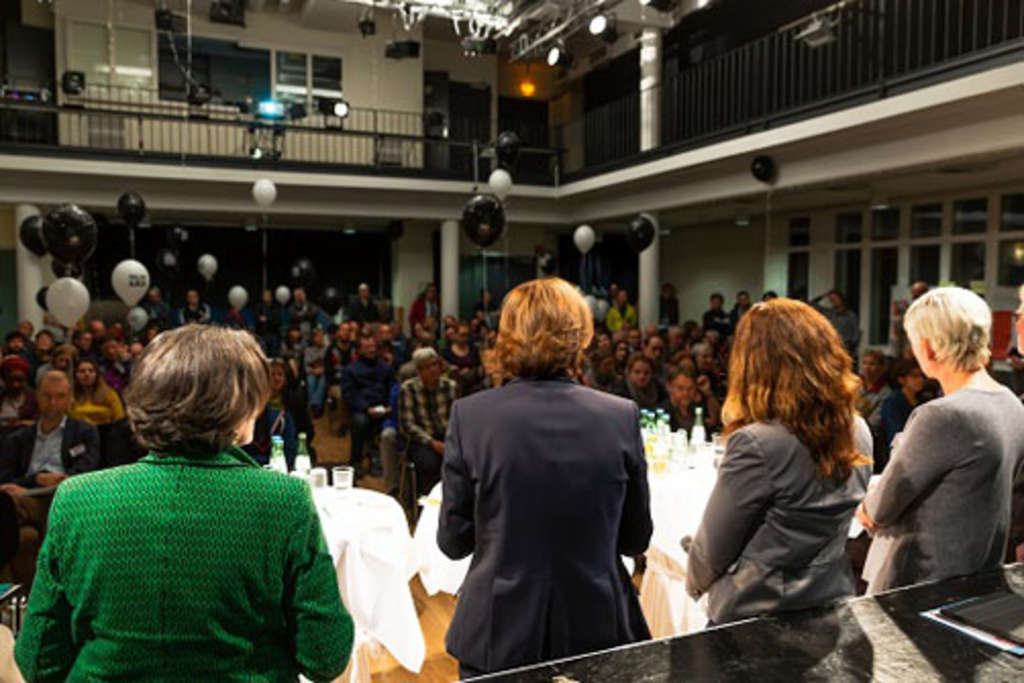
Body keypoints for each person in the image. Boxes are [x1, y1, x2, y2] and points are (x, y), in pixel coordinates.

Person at [14, 326, 353, 680]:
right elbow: (324, 655)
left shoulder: (76, 498)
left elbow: (38, 660)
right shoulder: (285, 501)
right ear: (238, 404)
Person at [438, 277, 652, 677]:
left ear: (507, 337)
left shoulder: (471, 416)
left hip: (497, 631)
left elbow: (453, 542)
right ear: (580, 335)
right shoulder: (620, 415)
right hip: (597, 624)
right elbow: (635, 538)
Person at [687, 298, 873, 625]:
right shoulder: (857, 428)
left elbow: (713, 550)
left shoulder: (757, 442)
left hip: (757, 612)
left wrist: (693, 588)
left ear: (754, 364)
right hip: (831, 599)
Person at [857, 287, 1024, 594]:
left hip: (918, 586)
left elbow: (879, 511)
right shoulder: (1013, 405)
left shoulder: (941, 416)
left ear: (929, 348)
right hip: (979, 577)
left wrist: (864, 505)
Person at [0, 370, 101, 586]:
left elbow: (86, 472)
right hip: (26, 496)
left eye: (60, 396)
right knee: (26, 537)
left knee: (6, 507)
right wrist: (36, 479)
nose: (53, 402)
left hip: (65, 496)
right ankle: (15, 599)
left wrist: (51, 482)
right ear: (37, 397)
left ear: (70, 398)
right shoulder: (18, 438)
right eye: (47, 396)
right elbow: (6, 477)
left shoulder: (84, 432)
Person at [398, 348, 457, 495]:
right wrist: (432, 443)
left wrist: (451, 440)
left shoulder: (450, 387)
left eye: (435, 365)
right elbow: (407, 425)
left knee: (462, 460)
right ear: (419, 370)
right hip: (422, 440)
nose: (433, 370)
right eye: (428, 367)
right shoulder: (408, 389)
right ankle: (426, 503)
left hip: (446, 435)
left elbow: (457, 418)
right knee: (429, 464)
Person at [340, 334, 395, 479]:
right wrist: (366, 408)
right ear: (359, 350)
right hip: (362, 408)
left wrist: (390, 406)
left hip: (384, 407)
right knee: (360, 421)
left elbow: (392, 388)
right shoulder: (351, 370)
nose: (372, 350)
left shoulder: (385, 368)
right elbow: (349, 394)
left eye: (373, 346)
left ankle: (380, 459)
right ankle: (356, 460)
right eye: (367, 347)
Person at [879, 358, 926, 454]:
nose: (920, 380)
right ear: (902, 380)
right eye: (915, 376)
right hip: (899, 450)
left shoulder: (923, 400)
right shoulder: (893, 401)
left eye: (922, 376)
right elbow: (894, 431)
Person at [856, 349, 892, 468]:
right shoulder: (855, 386)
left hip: (872, 440)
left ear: (881, 367)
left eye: (872, 364)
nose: (867, 367)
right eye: (865, 363)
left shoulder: (885, 393)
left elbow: (875, 422)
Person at [664, 366, 720, 438]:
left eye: (690, 388)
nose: (686, 393)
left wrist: (707, 392)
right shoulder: (661, 412)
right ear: (669, 387)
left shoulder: (696, 409)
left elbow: (713, 422)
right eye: (680, 388)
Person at [69, 359, 125, 427]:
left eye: (91, 371)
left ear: (97, 374)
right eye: (82, 371)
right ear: (75, 375)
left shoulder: (109, 394)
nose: (87, 374)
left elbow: (120, 419)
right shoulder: (70, 396)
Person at [813, 289, 860, 360]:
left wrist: (851, 345)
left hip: (846, 348)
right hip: (832, 348)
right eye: (831, 299)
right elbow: (812, 304)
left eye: (835, 298)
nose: (833, 301)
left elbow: (855, 333)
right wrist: (824, 295)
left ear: (841, 299)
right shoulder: (830, 313)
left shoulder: (850, 315)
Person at [0, 356, 37, 438]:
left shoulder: (34, 399)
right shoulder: (2, 397)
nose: (15, 385)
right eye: (11, 380)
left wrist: (21, 423)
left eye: (19, 380)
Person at [443, 322, 482, 396]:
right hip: (455, 389)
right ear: (455, 335)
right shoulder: (447, 352)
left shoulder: (473, 349)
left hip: (473, 388)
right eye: (462, 335)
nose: (465, 338)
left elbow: (479, 366)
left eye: (467, 335)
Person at [303, 327, 329, 418]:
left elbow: (330, 365)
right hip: (312, 372)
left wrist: (323, 369)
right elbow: (305, 367)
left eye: (322, 336)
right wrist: (314, 371)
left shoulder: (327, 349)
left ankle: (315, 405)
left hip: (325, 372)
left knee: (323, 382)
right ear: (313, 338)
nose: (320, 338)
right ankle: (312, 407)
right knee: (311, 381)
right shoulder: (308, 350)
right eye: (318, 336)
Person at [255, 289, 283, 358]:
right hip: (262, 334)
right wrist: (268, 319)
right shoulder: (260, 307)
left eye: (268, 295)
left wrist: (267, 319)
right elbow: (257, 319)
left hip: (273, 333)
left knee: (274, 344)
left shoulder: (276, 308)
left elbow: (277, 321)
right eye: (265, 295)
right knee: (262, 347)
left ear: (271, 297)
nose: (266, 297)